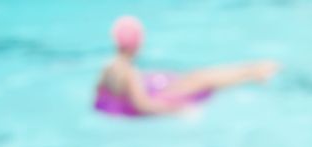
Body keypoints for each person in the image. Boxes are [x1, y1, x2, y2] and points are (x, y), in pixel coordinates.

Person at [94, 15, 280, 117]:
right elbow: (143, 105)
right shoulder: (130, 72)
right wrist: (179, 111)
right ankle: (253, 72)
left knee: (197, 76)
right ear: (137, 44)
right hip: (161, 96)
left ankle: (253, 71)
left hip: (153, 91)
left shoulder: (108, 66)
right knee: (203, 79)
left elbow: (99, 95)